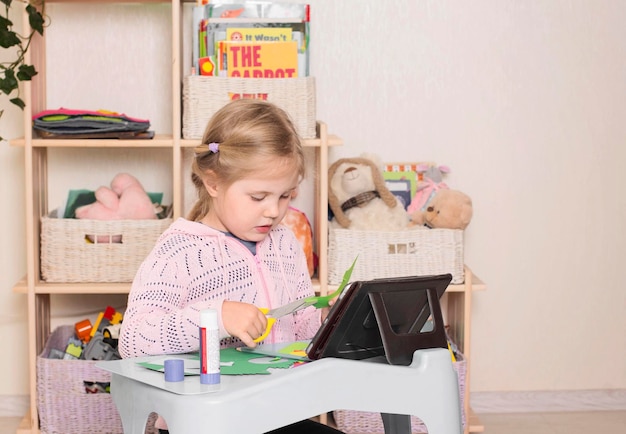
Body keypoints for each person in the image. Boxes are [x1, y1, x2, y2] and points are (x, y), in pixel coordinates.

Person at [119, 99, 344, 434]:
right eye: (258, 197)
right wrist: (216, 317)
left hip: (276, 413)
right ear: (214, 183)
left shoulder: (284, 243)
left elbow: (297, 331)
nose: (273, 211)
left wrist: (327, 323)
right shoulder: (180, 249)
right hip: (199, 422)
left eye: (285, 196)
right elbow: (134, 340)